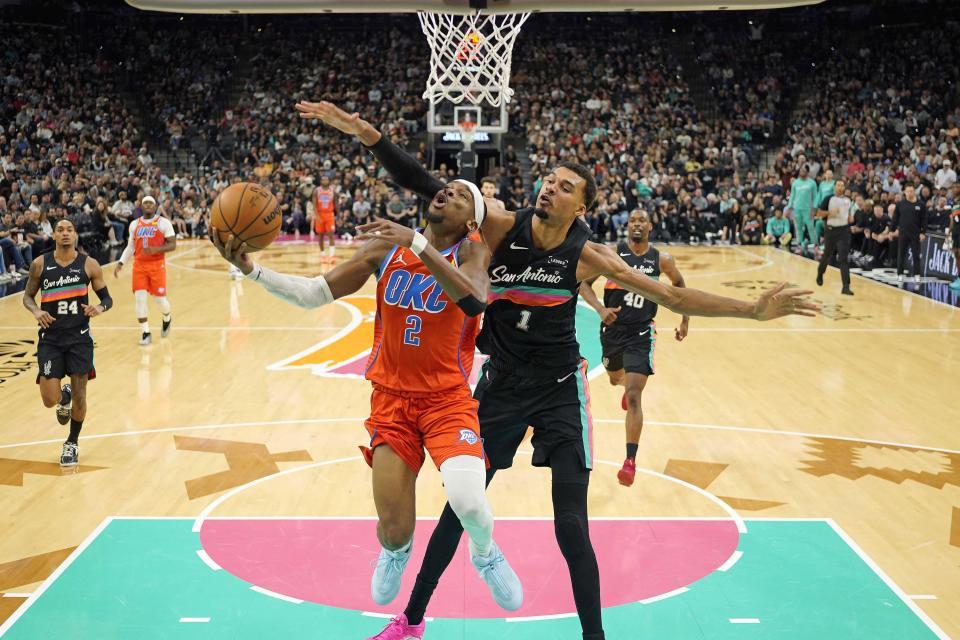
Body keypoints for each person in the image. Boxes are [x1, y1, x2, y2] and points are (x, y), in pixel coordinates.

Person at [297, 100, 818, 640]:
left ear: (582, 206)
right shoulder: (500, 228)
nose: (550, 188)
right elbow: (428, 186)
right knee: (461, 507)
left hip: (559, 392)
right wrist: (367, 134)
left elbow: (671, 296)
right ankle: (410, 621)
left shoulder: (590, 256)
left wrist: (752, 310)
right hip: (501, 384)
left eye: (565, 187)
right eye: (548, 180)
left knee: (571, 527)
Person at [211, 157, 522, 630]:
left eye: (462, 195)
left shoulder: (472, 254)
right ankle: (395, 551)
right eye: (447, 188)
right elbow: (314, 293)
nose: (448, 192)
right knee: (394, 530)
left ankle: (485, 552)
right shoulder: (386, 248)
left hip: (447, 401)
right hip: (392, 401)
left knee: (470, 501)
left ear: (471, 223)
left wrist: (418, 244)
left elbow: (475, 299)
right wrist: (252, 270)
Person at [578, 209, 689, 486]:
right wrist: (600, 309)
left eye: (642, 221)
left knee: (635, 396)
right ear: (627, 227)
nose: (637, 224)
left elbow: (679, 285)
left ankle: (630, 461)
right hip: (612, 331)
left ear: (650, 227)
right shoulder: (612, 255)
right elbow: (583, 284)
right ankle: (624, 386)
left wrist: (685, 320)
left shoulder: (662, 259)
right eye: (633, 221)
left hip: (641, 333)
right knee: (615, 378)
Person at [21, 219, 112, 466]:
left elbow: (107, 298)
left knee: (81, 396)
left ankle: (72, 442)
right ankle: (63, 397)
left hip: (79, 339)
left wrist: (99, 307)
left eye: (69, 230)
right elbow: (27, 296)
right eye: (60, 230)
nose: (65, 233)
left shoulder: (89, 264)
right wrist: (36, 311)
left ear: (75, 235)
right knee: (49, 399)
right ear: (53, 235)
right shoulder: (40, 264)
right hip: (50, 339)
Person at [114, 196, 176, 345]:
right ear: (141, 207)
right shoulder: (134, 224)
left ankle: (167, 317)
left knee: (160, 301)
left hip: (157, 265)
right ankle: (145, 333)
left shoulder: (163, 222)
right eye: (145, 203)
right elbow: (130, 247)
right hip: (139, 266)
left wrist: (156, 249)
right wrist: (121, 262)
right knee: (140, 299)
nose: (148, 205)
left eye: (150, 203)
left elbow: (172, 245)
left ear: (155, 206)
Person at [815, 180, 854, 295]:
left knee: (843, 258)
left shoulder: (848, 200)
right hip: (831, 230)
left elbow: (849, 215)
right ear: (834, 187)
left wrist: (850, 218)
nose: (840, 187)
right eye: (838, 185)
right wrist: (830, 212)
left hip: (844, 231)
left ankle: (846, 286)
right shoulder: (828, 199)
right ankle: (820, 273)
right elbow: (819, 214)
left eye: (842, 185)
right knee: (827, 255)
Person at [892, 185, 927, 283]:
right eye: (908, 191)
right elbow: (895, 217)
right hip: (903, 233)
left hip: (915, 233)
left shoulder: (921, 204)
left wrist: (923, 232)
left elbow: (924, 219)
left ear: (914, 191)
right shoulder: (900, 204)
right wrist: (892, 230)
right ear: (905, 192)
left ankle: (917, 275)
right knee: (901, 254)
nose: (910, 193)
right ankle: (900, 274)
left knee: (916, 255)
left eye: (911, 191)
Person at [786, 164, 818, 252]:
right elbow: (792, 196)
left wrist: (814, 208)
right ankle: (799, 244)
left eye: (803, 171)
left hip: (808, 209)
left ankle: (815, 245)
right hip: (797, 208)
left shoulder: (812, 183)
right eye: (800, 171)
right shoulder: (795, 183)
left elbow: (815, 197)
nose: (801, 172)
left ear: (807, 172)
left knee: (810, 226)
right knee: (798, 227)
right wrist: (789, 207)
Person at [312, 175, 338, 261]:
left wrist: (338, 215)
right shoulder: (316, 191)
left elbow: (336, 203)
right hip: (320, 214)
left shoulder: (332, 190)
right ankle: (322, 255)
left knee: (331, 235)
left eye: (326, 179)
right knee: (320, 236)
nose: (325, 181)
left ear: (329, 181)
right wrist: (317, 215)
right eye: (323, 180)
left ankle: (332, 256)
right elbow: (314, 205)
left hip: (329, 214)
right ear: (321, 181)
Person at [948, 189, 960, 290]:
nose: (953, 189)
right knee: (956, 255)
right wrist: (949, 231)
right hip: (955, 233)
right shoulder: (953, 203)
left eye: (956, 187)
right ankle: (959, 278)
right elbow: (952, 219)